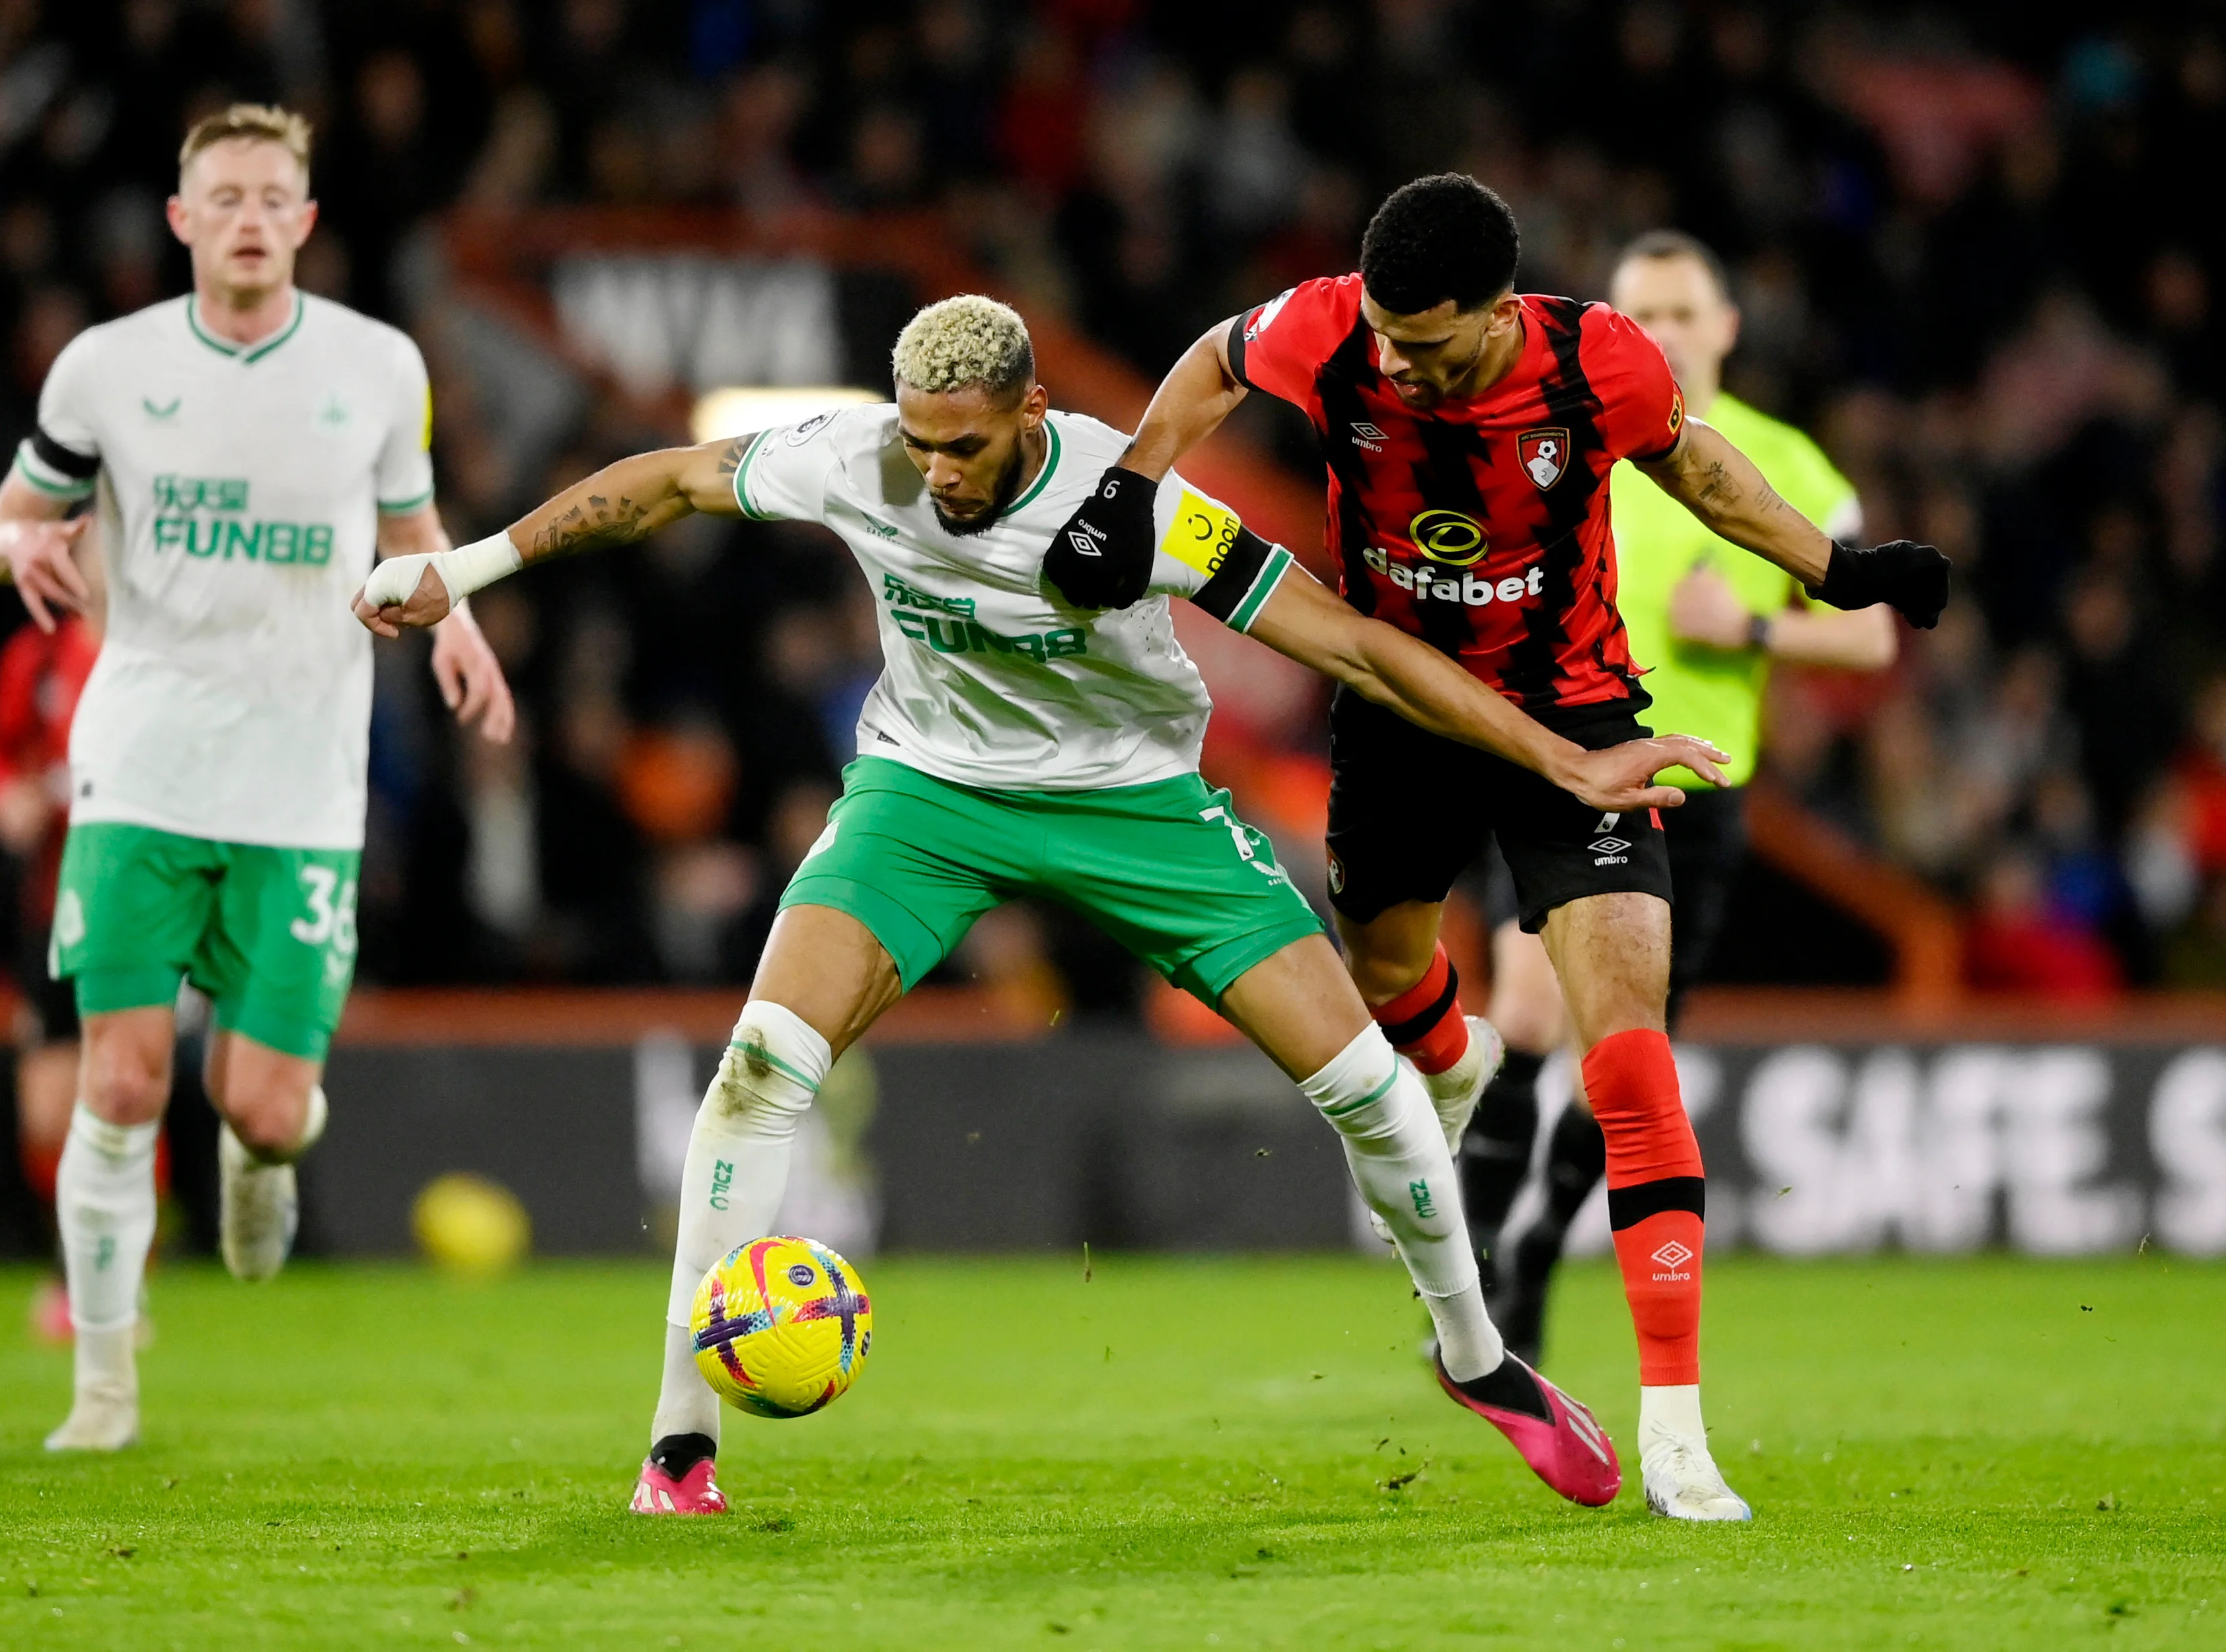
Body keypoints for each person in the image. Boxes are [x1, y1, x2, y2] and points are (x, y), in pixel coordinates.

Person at [358, 294, 1732, 1518]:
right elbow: (663, 481)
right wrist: (462, 569)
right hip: (927, 794)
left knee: (1373, 1091)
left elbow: (1356, 645)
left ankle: (1478, 1358)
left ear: (1032, 411)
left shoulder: (1135, 506)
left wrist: (1560, 758)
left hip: (1136, 806)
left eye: (963, 445)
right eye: (920, 443)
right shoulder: (856, 456)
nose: (937, 472)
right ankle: (678, 1444)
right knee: (758, 1068)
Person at [1049, 174, 1948, 1521]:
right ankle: (1453, 1063)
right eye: (1385, 340)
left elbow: (1699, 468)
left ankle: (1677, 1430)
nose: (1398, 365)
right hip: (1399, 712)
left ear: (1496, 311)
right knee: (1381, 969)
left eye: (1425, 345)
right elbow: (1215, 361)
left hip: (1576, 715)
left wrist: (1837, 570)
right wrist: (1132, 480)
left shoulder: (1596, 362)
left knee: (1628, 1054)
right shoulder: (1332, 327)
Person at [0, 104, 516, 1452]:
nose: (251, 217)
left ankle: (260, 1150)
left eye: (275, 196)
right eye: (225, 197)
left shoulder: (377, 366)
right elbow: (4, 516)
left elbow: (411, 529)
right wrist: (9, 546)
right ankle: (104, 1387)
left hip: (301, 782)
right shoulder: (106, 367)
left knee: (263, 1107)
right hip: (139, 766)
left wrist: (456, 623)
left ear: (308, 220)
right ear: (182, 219)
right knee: (118, 1082)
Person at [1469, 231, 1898, 1368]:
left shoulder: (1785, 464)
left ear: (1724, 326)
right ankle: (1470, 1280)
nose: (1660, 333)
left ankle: (1531, 1257)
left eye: (1679, 313)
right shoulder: (1569, 439)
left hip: (1695, 797)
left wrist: (1748, 625)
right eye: (1640, 315)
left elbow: (1871, 635)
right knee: (1522, 1017)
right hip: (1560, 767)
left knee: (1622, 1054)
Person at [0, 579, 110, 1344]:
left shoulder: (154, 652)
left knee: (115, 1086)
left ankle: (96, 1277)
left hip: (134, 902)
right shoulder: (39, 657)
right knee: (47, 1114)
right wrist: (6, 797)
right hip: (54, 908)